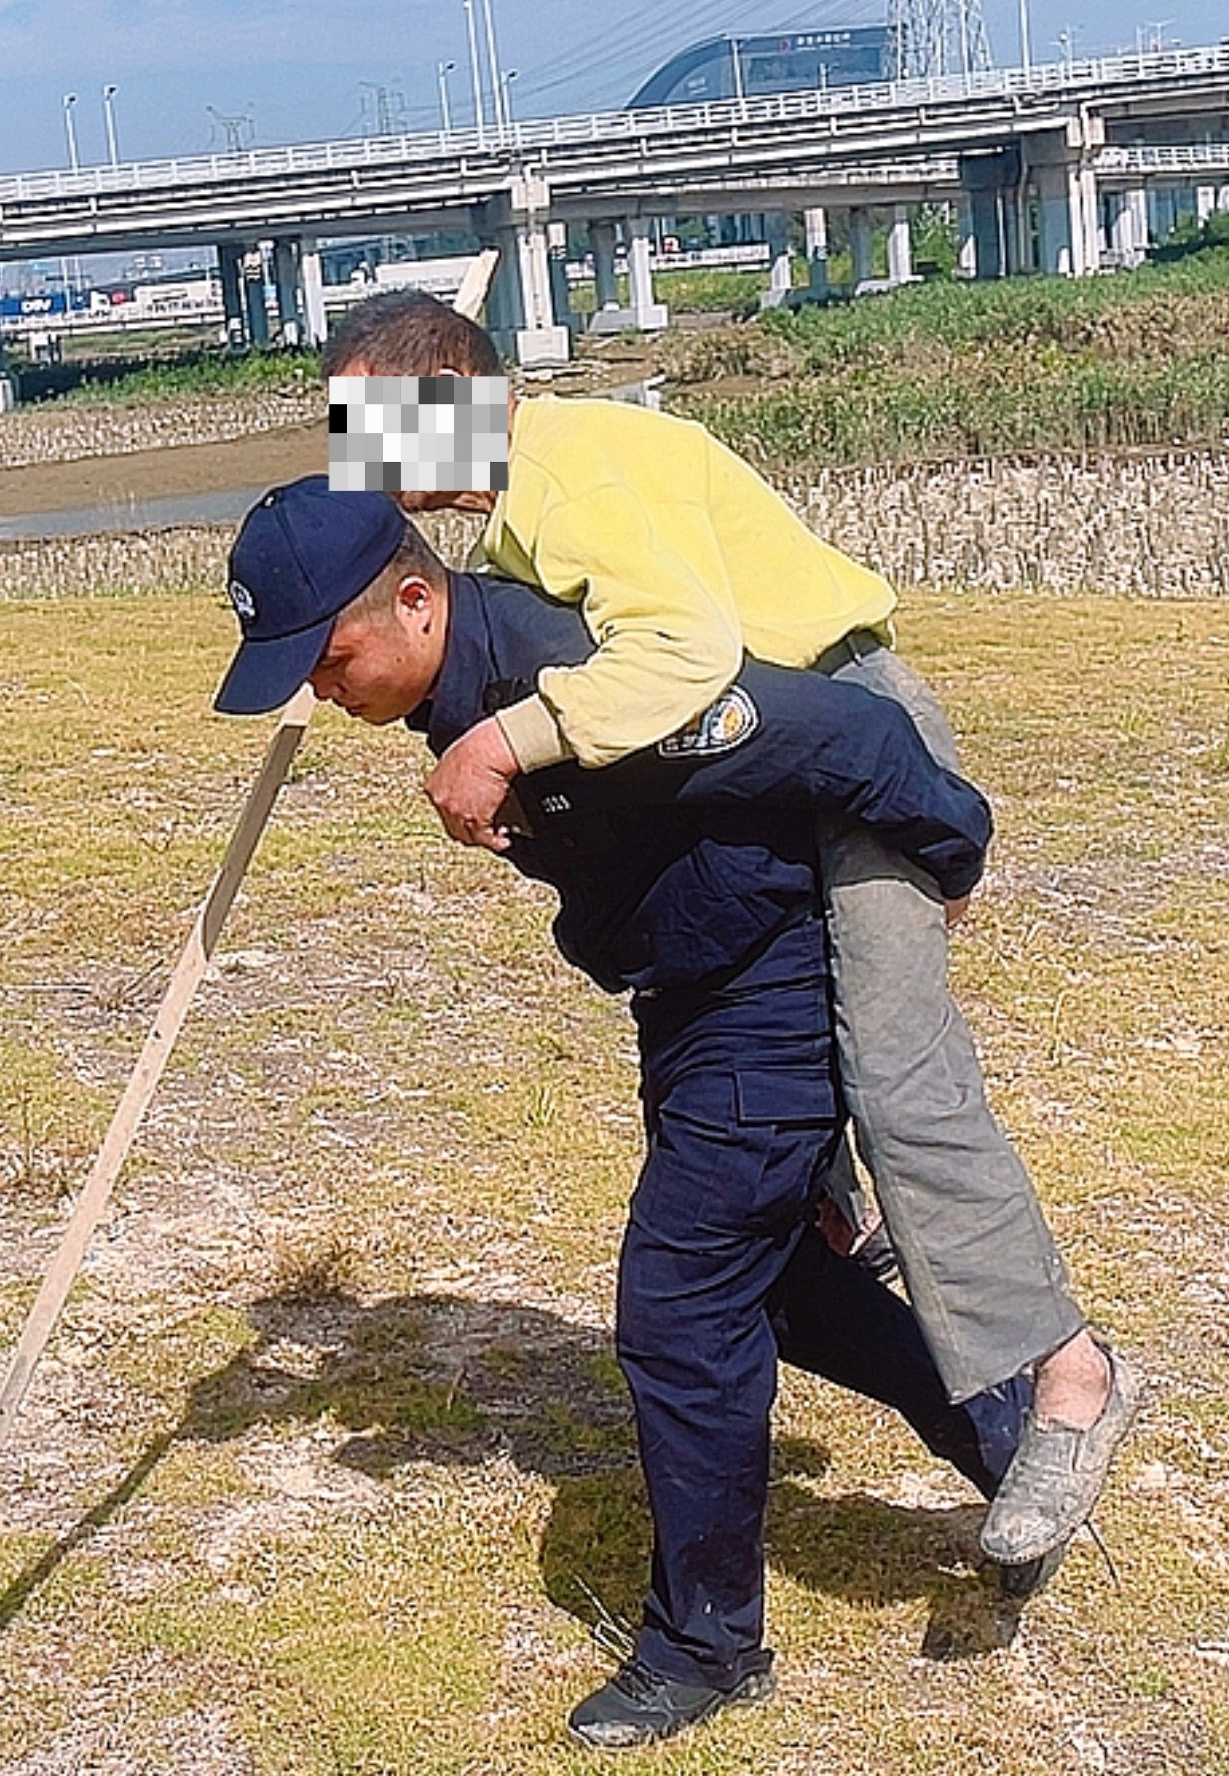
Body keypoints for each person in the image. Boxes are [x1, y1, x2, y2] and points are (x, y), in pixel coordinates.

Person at [316, 289, 1132, 1571]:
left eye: (379, 428)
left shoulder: (568, 479)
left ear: (462, 399)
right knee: (807, 1140)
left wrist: (501, 737)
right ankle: (842, 1222)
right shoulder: (524, 503)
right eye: (346, 431)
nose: (364, 463)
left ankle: (1069, 1374)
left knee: (900, 1074)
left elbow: (685, 659)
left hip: (851, 730)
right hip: (789, 744)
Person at [216, 474, 1032, 1746]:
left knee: (678, 1306)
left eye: (325, 657)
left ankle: (706, 1648)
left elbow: (849, 740)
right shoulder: (457, 699)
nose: (318, 690)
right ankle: (1010, 1437)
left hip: (767, 990)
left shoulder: (579, 674)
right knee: (775, 1288)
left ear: (419, 600)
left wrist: (956, 848)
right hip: (687, 998)